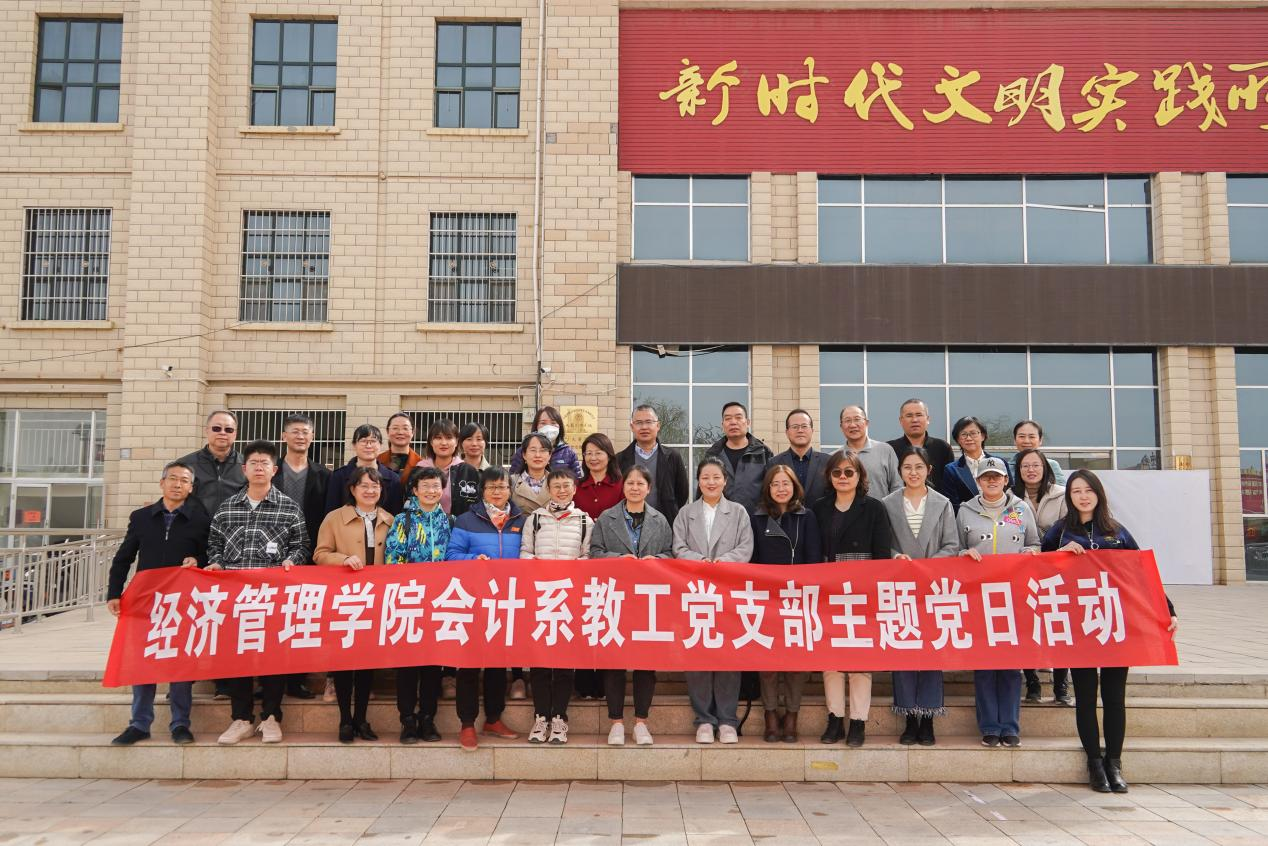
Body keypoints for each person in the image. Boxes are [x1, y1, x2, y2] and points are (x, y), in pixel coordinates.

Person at [1041, 469, 1178, 795]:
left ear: (1099, 494)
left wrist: (1167, 610)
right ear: (1069, 496)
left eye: (1088, 490)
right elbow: (1037, 570)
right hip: (1079, 626)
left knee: (1114, 697)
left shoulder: (1117, 531)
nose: (1083, 496)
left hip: (1115, 625)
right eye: (1076, 491)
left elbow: (1142, 574)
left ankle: (1114, 763)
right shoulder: (1060, 531)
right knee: (1086, 697)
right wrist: (1060, 556)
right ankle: (1094, 763)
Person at [208, 440, 309, 746]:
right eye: (254, 463)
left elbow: (301, 545)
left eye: (265, 463)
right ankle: (241, 718)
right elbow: (214, 545)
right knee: (237, 658)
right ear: (245, 469)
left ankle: (271, 717)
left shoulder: (289, 507)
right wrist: (216, 563)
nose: (259, 468)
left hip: (273, 597)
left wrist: (292, 561)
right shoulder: (228, 508)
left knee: (273, 658)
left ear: (274, 470)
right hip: (236, 597)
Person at [106, 460, 209, 746]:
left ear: (191, 488)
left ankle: (180, 724)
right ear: (162, 483)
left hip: (181, 602)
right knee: (142, 661)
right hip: (145, 601)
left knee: (181, 664)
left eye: (184, 481)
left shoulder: (201, 520)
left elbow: (210, 555)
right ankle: (139, 723)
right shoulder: (141, 517)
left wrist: (197, 560)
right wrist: (114, 592)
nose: (178, 484)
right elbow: (124, 558)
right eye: (173, 478)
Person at [957, 456, 1039, 750]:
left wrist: (1030, 553)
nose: (992, 481)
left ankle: (1010, 727)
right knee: (984, 665)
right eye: (986, 477)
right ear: (978, 481)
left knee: (1011, 666)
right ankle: (990, 727)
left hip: (1013, 598)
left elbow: (1034, 543)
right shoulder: (965, 510)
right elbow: (956, 548)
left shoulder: (1021, 509)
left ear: (1006, 480)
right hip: (978, 598)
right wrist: (963, 555)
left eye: (997, 476)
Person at [672, 457, 755, 744]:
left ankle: (728, 720)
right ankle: (704, 719)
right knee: (697, 653)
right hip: (695, 592)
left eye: (716, 477)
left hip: (728, 591)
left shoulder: (739, 512)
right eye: (705, 477)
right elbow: (678, 547)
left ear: (725, 481)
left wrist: (723, 562)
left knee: (729, 654)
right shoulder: (686, 513)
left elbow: (746, 547)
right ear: (698, 481)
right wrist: (700, 561)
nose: (711, 482)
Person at [590, 465, 674, 746]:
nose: (635, 488)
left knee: (645, 662)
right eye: (630, 483)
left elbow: (670, 553)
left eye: (640, 484)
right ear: (623, 487)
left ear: (648, 489)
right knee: (614, 660)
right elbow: (595, 553)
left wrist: (656, 560)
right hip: (615, 596)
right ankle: (615, 722)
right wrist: (618, 560)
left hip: (648, 600)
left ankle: (641, 722)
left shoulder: (660, 520)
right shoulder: (607, 518)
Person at [813, 450, 892, 748]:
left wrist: (873, 590)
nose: (843, 477)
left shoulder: (874, 508)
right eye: (837, 472)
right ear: (829, 476)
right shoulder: (819, 508)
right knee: (830, 658)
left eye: (849, 472)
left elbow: (882, 554)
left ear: (860, 476)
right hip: (827, 590)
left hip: (862, 591)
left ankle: (858, 721)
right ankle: (834, 718)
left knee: (860, 659)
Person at [882, 448, 960, 746]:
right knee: (903, 649)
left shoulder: (942, 503)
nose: (913, 473)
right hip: (900, 588)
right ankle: (908, 717)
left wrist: (927, 566)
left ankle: (927, 717)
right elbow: (883, 543)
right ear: (900, 471)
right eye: (907, 467)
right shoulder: (888, 503)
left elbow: (952, 545)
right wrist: (895, 557)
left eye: (918, 467)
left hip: (932, 587)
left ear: (929, 470)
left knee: (930, 650)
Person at [445, 466, 525, 751]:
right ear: (482, 491)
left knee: (497, 663)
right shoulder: (467, 520)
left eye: (502, 487)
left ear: (510, 490)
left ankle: (493, 718)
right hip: (473, 599)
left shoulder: (521, 520)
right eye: (491, 487)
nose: (497, 492)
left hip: (506, 601)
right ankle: (467, 724)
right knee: (468, 664)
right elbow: (451, 554)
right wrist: (472, 559)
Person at [313, 466, 393, 743]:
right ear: (352, 489)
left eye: (375, 486)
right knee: (344, 661)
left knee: (367, 663)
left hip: (376, 599)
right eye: (364, 486)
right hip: (345, 599)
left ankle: (361, 718)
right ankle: (345, 719)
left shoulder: (390, 520)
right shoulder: (334, 518)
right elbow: (320, 554)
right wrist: (343, 559)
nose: (370, 491)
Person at [521, 469, 594, 744]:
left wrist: (570, 570)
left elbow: (588, 556)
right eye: (556, 486)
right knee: (539, 662)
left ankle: (560, 718)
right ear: (548, 489)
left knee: (564, 662)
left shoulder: (585, 521)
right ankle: (541, 717)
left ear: (574, 489)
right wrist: (540, 569)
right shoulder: (535, 519)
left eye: (566, 486)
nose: (562, 490)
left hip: (568, 599)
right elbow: (525, 552)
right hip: (540, 598)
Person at [750, 464, 822, 744]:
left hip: (798, 599)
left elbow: (814, 558)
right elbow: (752, 560)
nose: (781, 489)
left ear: (795, 487)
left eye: (786, 483)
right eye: (775, 484)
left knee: (796, 663)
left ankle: (791, 714)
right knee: (767, 664)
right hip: (766, 599)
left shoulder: (807, 517)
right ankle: (770, 714)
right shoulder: (757, 518)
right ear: (768, 488)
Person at [385, 465, 452, 743]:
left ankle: (427, 718)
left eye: (436, 486)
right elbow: (393, 558)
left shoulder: (449, 520)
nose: (431, 491)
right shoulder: (404, 520)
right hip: (410, 601)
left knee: (433, 664)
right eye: (425, 486)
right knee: (409, 663)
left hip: (439, 602)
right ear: (415, 490)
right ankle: (407, 720)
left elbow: (453, 558)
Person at [276, 413, 330, 701]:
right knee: (271, 618)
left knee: (300, 618)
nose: (300, 436)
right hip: (271, 555)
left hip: (308, 555)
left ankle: (296, 680)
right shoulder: (271, 471)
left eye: (305, 432)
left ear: (312, 437)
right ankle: (269, 679)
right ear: (284, 436)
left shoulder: (323, 475)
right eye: (295, 431)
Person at [1014, 447, 1072, 706]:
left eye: (1036, 465)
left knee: (1058, 625)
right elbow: (1015, 532)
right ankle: (1032, 681)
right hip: (1024, 570)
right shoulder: (1012, 498)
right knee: (1026, 625)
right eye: (1025, 465)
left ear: (1045, 467)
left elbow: (1069, 529)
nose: (1031, 470)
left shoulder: (1061, 495)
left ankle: (1061, 684)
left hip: (1056, 568)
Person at [573, 432, 623, 700]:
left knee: (607, 621)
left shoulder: (620, 486)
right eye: (588, 453)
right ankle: (583, 683)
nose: (593, 458)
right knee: (583, 621)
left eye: (598, 452)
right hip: (581, 562)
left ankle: (606, 684)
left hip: (611, 562)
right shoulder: (576, 486)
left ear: (609, 455)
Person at [617, 404, 689, 525]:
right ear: (632, 427)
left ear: (658, 425)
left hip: (665, 523)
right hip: (629, 524)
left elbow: (682, 493)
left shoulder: (672, 457)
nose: (644, 427)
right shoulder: (620, 459)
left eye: (649, 422)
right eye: (639, 423)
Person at [702, 401, 773, 515]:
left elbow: (772, 490)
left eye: (738, 417)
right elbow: (703, 490)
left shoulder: (763, 453)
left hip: (756, 521)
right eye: (728, 419)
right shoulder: (713, 455)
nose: (733, 422)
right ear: (722, 424)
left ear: (748, 422)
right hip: (720, 521)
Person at [179, 410, 247, 519]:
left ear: (235, 434)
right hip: (196, 527)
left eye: (228, 429)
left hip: (234, 528)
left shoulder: (247, 466)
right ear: (206, 431)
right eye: (216, 428)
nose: (222, 433)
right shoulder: (184, 465)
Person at [325, 423, 404, 516]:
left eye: (373, 441)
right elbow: (331, 513)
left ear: (381, 445)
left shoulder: (393, 479)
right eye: (363, 441)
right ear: (354, 445)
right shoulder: (338, 477)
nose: (368, 446)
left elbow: (397, 515)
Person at [941, 416, 1011, 512]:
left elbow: (1010, 493)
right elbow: (952, 505)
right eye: (963, 434)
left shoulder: (1000, 463)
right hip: (967, 519)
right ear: (958, 439)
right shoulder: (952, 470)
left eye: (973, 433)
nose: (969, 438)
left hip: (1001, 517)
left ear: (983, 436)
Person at [887, 399, 955, 493]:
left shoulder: (942, 448)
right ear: (901, 420)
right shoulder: (889, 449)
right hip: (898, 501)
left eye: (919, 415)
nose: (914, 420)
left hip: (936, 501)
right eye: (909, 416)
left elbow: (950, 484)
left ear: (928, 419)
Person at [417, 418, 480, 517]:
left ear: (456, 442)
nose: (443, 443)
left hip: (459, 526)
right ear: (431, 442)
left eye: (449, 438)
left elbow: (477, 506)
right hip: (422, 526)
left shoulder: (468, 472)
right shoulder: (419, 470)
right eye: (438, 438)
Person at [769, 408, 832, 507]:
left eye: (804, 426)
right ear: (787, 432)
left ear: (812, 431)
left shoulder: (828, 461)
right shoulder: (774, 463)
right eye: (795, 427)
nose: (800, 430)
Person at [838, 405, 901, 499]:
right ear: (841, 426)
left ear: (866, 423)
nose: (852, 425)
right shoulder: (834, 457)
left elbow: (897, 487)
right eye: (847, 420)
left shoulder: (885, 450)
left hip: (881, 508)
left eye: (857, 419)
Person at [509, 406, 582, 478]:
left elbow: (576, 480)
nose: (548, 427)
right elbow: (513, 479)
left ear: (560, 426)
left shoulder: (568, 452)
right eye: (543, 423)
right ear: (536, 426)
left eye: (553, 423)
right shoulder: (523, 451)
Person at [511, 432, 553, 515]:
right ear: (524, 455)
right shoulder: (511, 482)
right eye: (533, 450)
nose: (537, 455)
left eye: (543, 450)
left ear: (549, 455)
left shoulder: (557, 482)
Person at [1013, 420, 1066, 485]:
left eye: (1032, 437)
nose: (1026, 441)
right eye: (1022, 436)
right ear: (1014, 440)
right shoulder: (1006, 466)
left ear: (1040, 440)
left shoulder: (1051, 465)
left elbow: (1062, 489)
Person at [380, 412, 424, 479]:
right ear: (387, 431)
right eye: (395, 428)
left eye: (405, 428)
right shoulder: (378, 461)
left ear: (413, 432)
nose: (400, 432)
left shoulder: (421, 465)